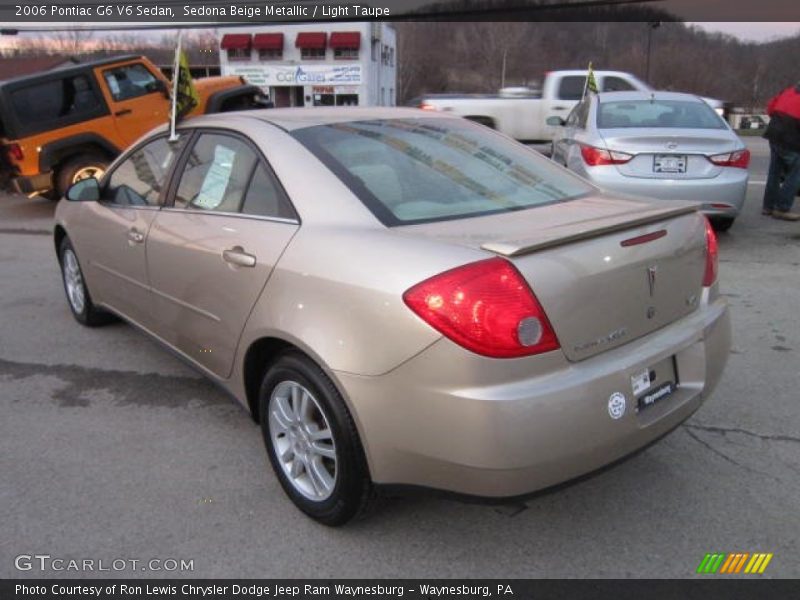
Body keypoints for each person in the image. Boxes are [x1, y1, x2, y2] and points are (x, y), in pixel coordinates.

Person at [762, 83, 800, 221]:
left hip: (774, 133)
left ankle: (768, 206)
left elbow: (770, 109)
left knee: (775, 172)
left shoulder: (788, 91)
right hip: (791, 138)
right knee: (796, 173)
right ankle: (782, 208)